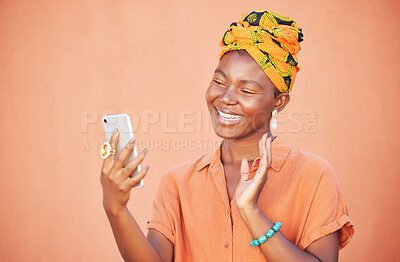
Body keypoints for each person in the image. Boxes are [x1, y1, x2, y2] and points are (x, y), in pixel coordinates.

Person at [100, 10, 354, 262]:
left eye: (246, 90)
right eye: (220, 82)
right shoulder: (177, 183)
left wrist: (251, 212)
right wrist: (116, 209)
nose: (226, 98)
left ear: (279, 102)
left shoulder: (313, 176)